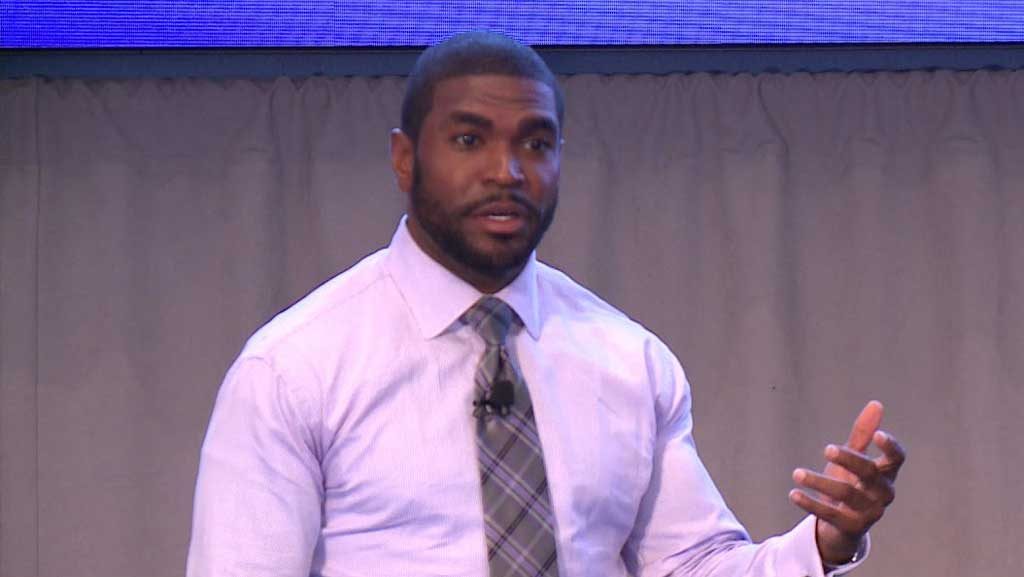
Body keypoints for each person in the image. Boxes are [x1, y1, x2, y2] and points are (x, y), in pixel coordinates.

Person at [186, 31, 905, 577]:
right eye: (469, 139)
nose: (506, 171)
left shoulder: (628, 361)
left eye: (536, 143)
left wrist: (823, 542)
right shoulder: (294, 370)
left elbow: (689, 564)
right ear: (405, 159)